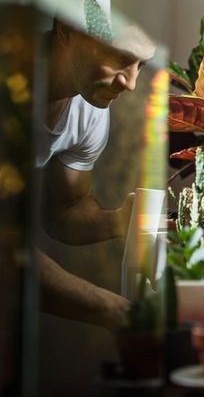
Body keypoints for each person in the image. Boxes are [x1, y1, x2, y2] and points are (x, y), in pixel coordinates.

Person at [36, 16, 156, 330]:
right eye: (122, 58)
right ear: (67, 28)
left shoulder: (88, 112)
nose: (130, 84)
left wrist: (119, 220)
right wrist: (115, 311)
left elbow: (64, 210)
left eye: (141, 65)